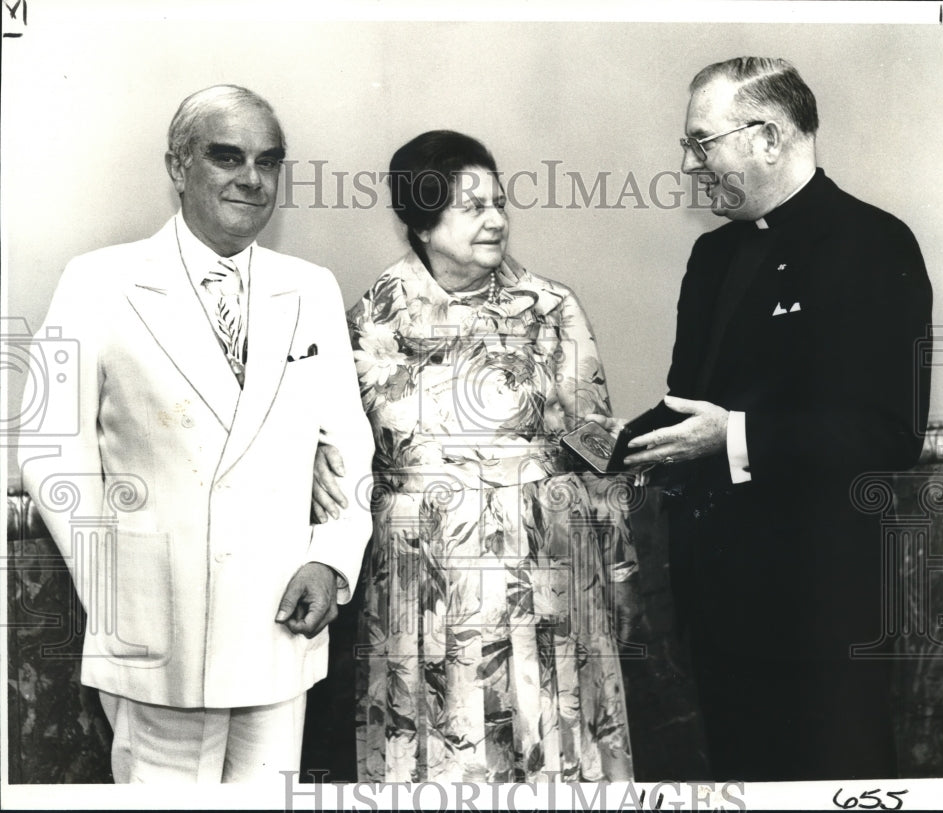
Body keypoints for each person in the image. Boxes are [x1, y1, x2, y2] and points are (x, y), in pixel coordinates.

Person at [17, 84, 374, 783]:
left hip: (278, 624)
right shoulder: (99, 282)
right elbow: (49, 448)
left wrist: (331, 559)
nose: (251, 178)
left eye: (268, 161)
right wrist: (116, 585)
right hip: (156, 627)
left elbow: (349, 447)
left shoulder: (310, 288)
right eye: (227, 157)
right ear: (178, 167)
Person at [602, 58, 932, 781]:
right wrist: (599, 438)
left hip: (823, 608)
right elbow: (689, 402)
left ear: (770, 137)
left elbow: (889, 433)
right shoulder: (711, 254)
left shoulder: (875, 245)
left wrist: (736, 437)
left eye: (700, 143)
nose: (689, 165)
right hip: (715, 601)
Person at [317, 130, 636, 782]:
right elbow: (338, 459)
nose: (496, 220)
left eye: (500, 202)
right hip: (424, 594)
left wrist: (619, 565)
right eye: (472, 207)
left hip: (545, 583)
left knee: (551, 757)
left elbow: (596, 439)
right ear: (424, 221)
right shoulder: (366, 323)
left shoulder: (550, 308)